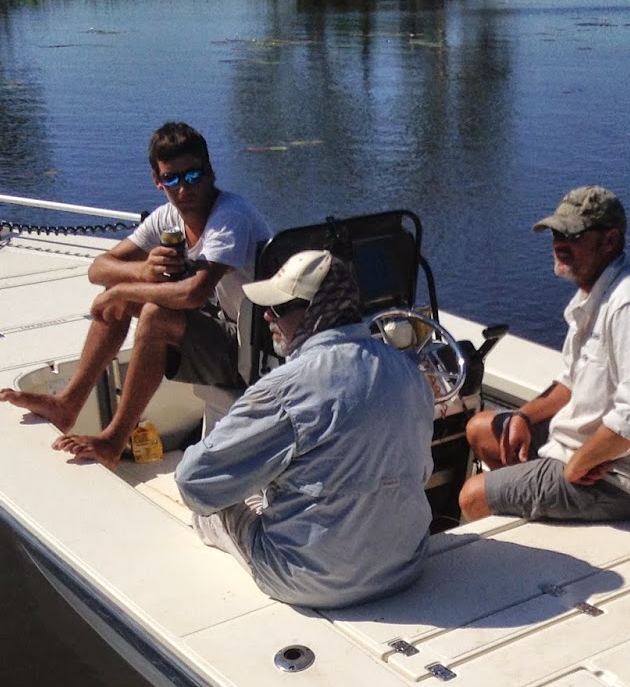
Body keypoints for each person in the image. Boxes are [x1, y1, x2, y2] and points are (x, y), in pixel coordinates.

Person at [0, 121, 272, 468]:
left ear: (210, 171)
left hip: (255, 351)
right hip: (225, 329)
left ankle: (113, 440)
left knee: (153, 313)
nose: (184, 188)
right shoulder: (168, 218)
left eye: (193, 175)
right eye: (171, 178)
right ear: (158, 181)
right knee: (123, 297)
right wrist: (141, 272)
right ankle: (67, 403)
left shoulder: (230, 216)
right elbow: (99, 268)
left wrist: (121, 289)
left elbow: (193, 293)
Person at [175, 250, 436, 609]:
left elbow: (194, 483)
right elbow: (421, 472)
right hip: (405, 566)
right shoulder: (409, 372)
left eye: (279, 308)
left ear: (317, 312)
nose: (267, 315)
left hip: (309, 580)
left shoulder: (283, 390)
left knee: (210, 509)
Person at [459, 185, 630, 523]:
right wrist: (523, 417)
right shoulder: (594, 297)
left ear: (610, 241)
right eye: (556, 233)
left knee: (472, 497)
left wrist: (577, 465)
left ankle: (526, 504)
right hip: (591, 444)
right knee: (481, 429)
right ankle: (533, 506)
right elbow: (570, 383)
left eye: (572, 235)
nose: (559, 243)